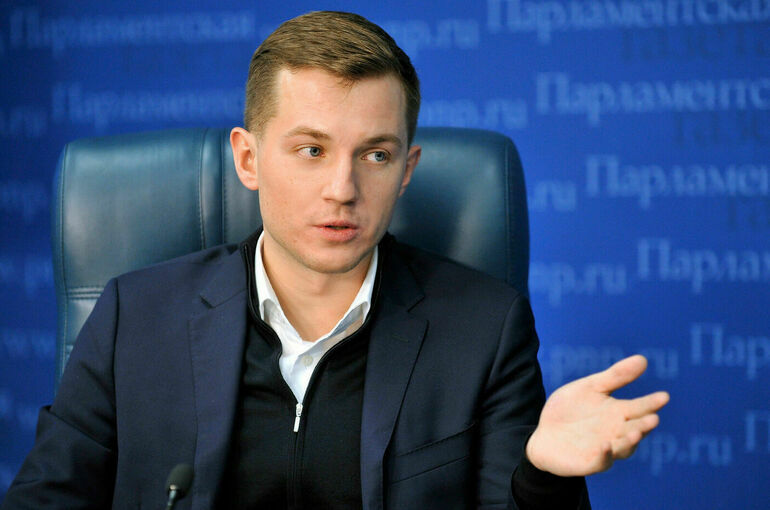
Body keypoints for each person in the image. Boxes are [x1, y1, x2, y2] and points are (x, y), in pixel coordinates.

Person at [1, 11, 669, 510]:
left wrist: (542, 477)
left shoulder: (484, 330)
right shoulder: (136, 317)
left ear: (407, 170)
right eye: (312, 150)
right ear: (248, 159)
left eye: (375, 154)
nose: (343, 189)